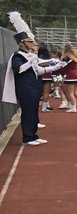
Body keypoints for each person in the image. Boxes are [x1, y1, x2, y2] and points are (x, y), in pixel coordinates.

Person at [3, 13, 65, 145]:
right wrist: (30, 62)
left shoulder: (29, 55)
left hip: (34, 86)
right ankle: (28, 137)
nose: (32, 44)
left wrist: (54, 66)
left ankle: (34, 135)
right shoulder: (17, 56)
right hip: (25, 88)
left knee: (32, 111)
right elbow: (18, 70)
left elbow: (38, 70)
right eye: (29, 42)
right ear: (22, 43)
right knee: (28, 112)